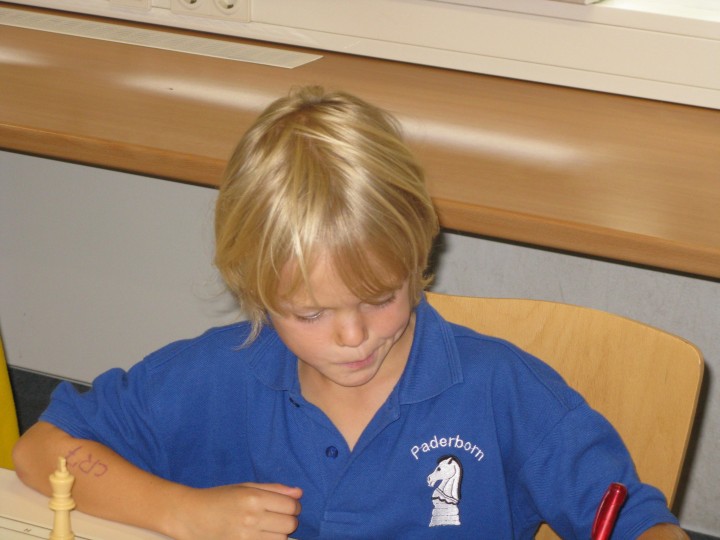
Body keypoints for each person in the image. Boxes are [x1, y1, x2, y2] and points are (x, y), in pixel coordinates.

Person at [13, 86, 688, 539]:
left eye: (380, 298)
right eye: (310, 314)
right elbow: (42, 451)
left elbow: (638, 521)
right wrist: (184, 512)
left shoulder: (504, 393)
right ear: (257, 292)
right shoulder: (219, 374)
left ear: (418, 256)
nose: (353, 335)